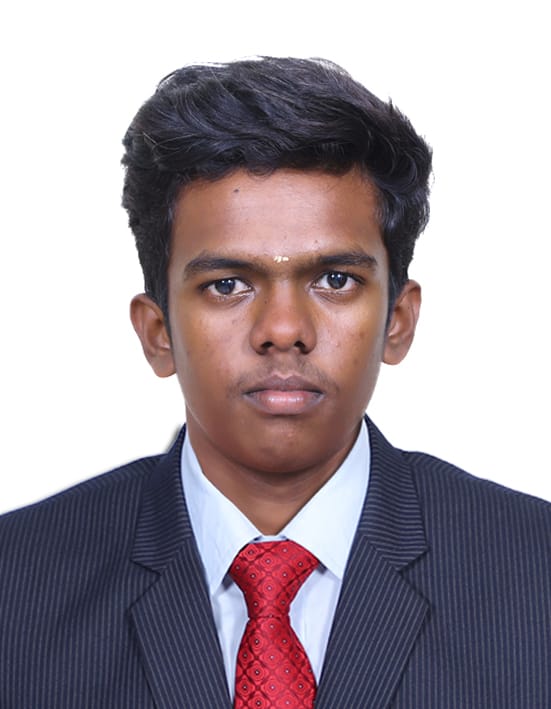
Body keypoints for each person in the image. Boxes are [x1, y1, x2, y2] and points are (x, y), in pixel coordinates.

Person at [1, 57, 549, 709]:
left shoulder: (535, 574)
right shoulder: (15, 586)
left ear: (397, 321)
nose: (283, 329)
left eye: (335, 280)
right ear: (158, 332)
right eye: (227, 284)